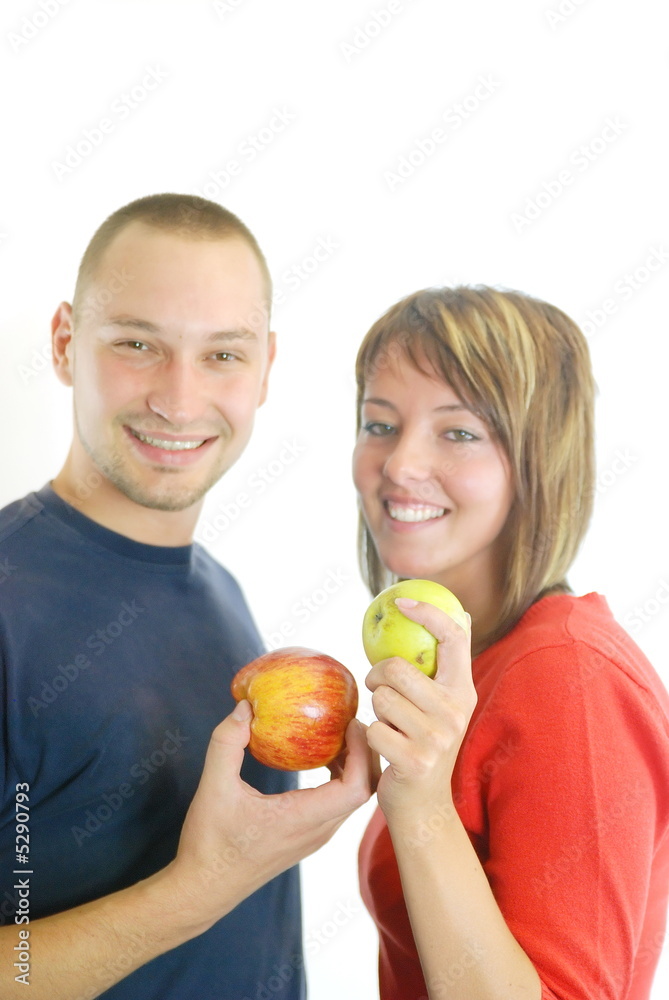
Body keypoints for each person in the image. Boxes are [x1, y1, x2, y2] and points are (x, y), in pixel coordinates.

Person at [0, 193, 372, 1000]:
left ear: (265, 368)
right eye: (138, 344)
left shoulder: (219, 594)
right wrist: (197, 893)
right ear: (65, 344)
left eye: (222, 355)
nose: (178, 399)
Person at [353, 286, 669, 1000]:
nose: (399, 464)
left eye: (457, 432)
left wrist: (423, 807)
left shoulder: (568, 677)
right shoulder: (477, 663)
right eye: (379, 424)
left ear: (536, 459)